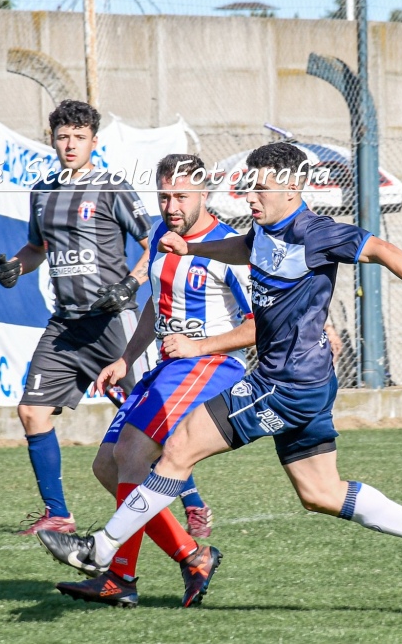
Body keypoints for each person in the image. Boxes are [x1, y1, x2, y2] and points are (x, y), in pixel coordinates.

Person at [37, 142, 402, 603]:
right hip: (305, 382)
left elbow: (384, 250)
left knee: (179, 449)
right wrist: (192, 247)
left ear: (291, 188)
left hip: (283, 384)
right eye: (249, 188)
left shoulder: (317, 232)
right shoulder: (263, 231)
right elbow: (243, 248)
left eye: (260, 189)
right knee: (320, 491)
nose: (250, 198)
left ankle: (101, 552)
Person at [54, 153, 256, 608]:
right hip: (167, 367)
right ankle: (191, 555)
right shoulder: (166, 236)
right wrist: (126, 358)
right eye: (164, 196)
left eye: (181, 196)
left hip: (210, 366)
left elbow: (259, 326)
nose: (171, 206)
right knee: (108, 465)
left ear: (205, 194)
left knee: (130, 456)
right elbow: (156, 305)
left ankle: (119, 578)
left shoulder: (231, 249)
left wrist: (197, 346)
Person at [0, 100, 166, 535]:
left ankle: (194, 503)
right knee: (32, 412)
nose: (70, 144)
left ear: (94, 142)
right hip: (65, 324)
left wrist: (131, 283)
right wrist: (16, 263)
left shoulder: (111, 188)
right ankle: (59, 515)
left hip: (113, 321)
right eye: (62, 136)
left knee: (148, 418)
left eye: (79, 137)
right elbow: (37, 248)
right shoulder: (42, 192)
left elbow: (156, 242)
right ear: (52, 139)